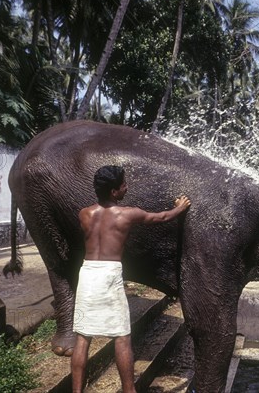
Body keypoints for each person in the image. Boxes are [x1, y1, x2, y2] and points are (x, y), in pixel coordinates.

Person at [71, 165, 191, 393]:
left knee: (82, 337)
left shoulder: (84, 213)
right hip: (109, 273)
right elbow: (162, 217)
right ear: (115, 192)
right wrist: (180, 208)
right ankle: (129, 390)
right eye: (123, 184)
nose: (127, 187)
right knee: (122, 336)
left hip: (87, 272)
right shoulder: (127, 214)